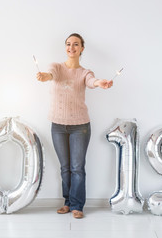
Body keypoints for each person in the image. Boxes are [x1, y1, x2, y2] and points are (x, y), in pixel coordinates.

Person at [36, 33, 113, 219]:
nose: (71, 47)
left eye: (76, 44)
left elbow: (91, 81)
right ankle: (68, 203)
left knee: (77, 167)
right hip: (58, 125)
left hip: (80, 126)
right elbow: (50, 75)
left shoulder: (85, 73)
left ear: (82, 49)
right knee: (65, 167)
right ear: (65, 47)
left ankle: (77, 205)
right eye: (68, 44)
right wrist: (44, 76)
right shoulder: (56, 67)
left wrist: (99, 83)